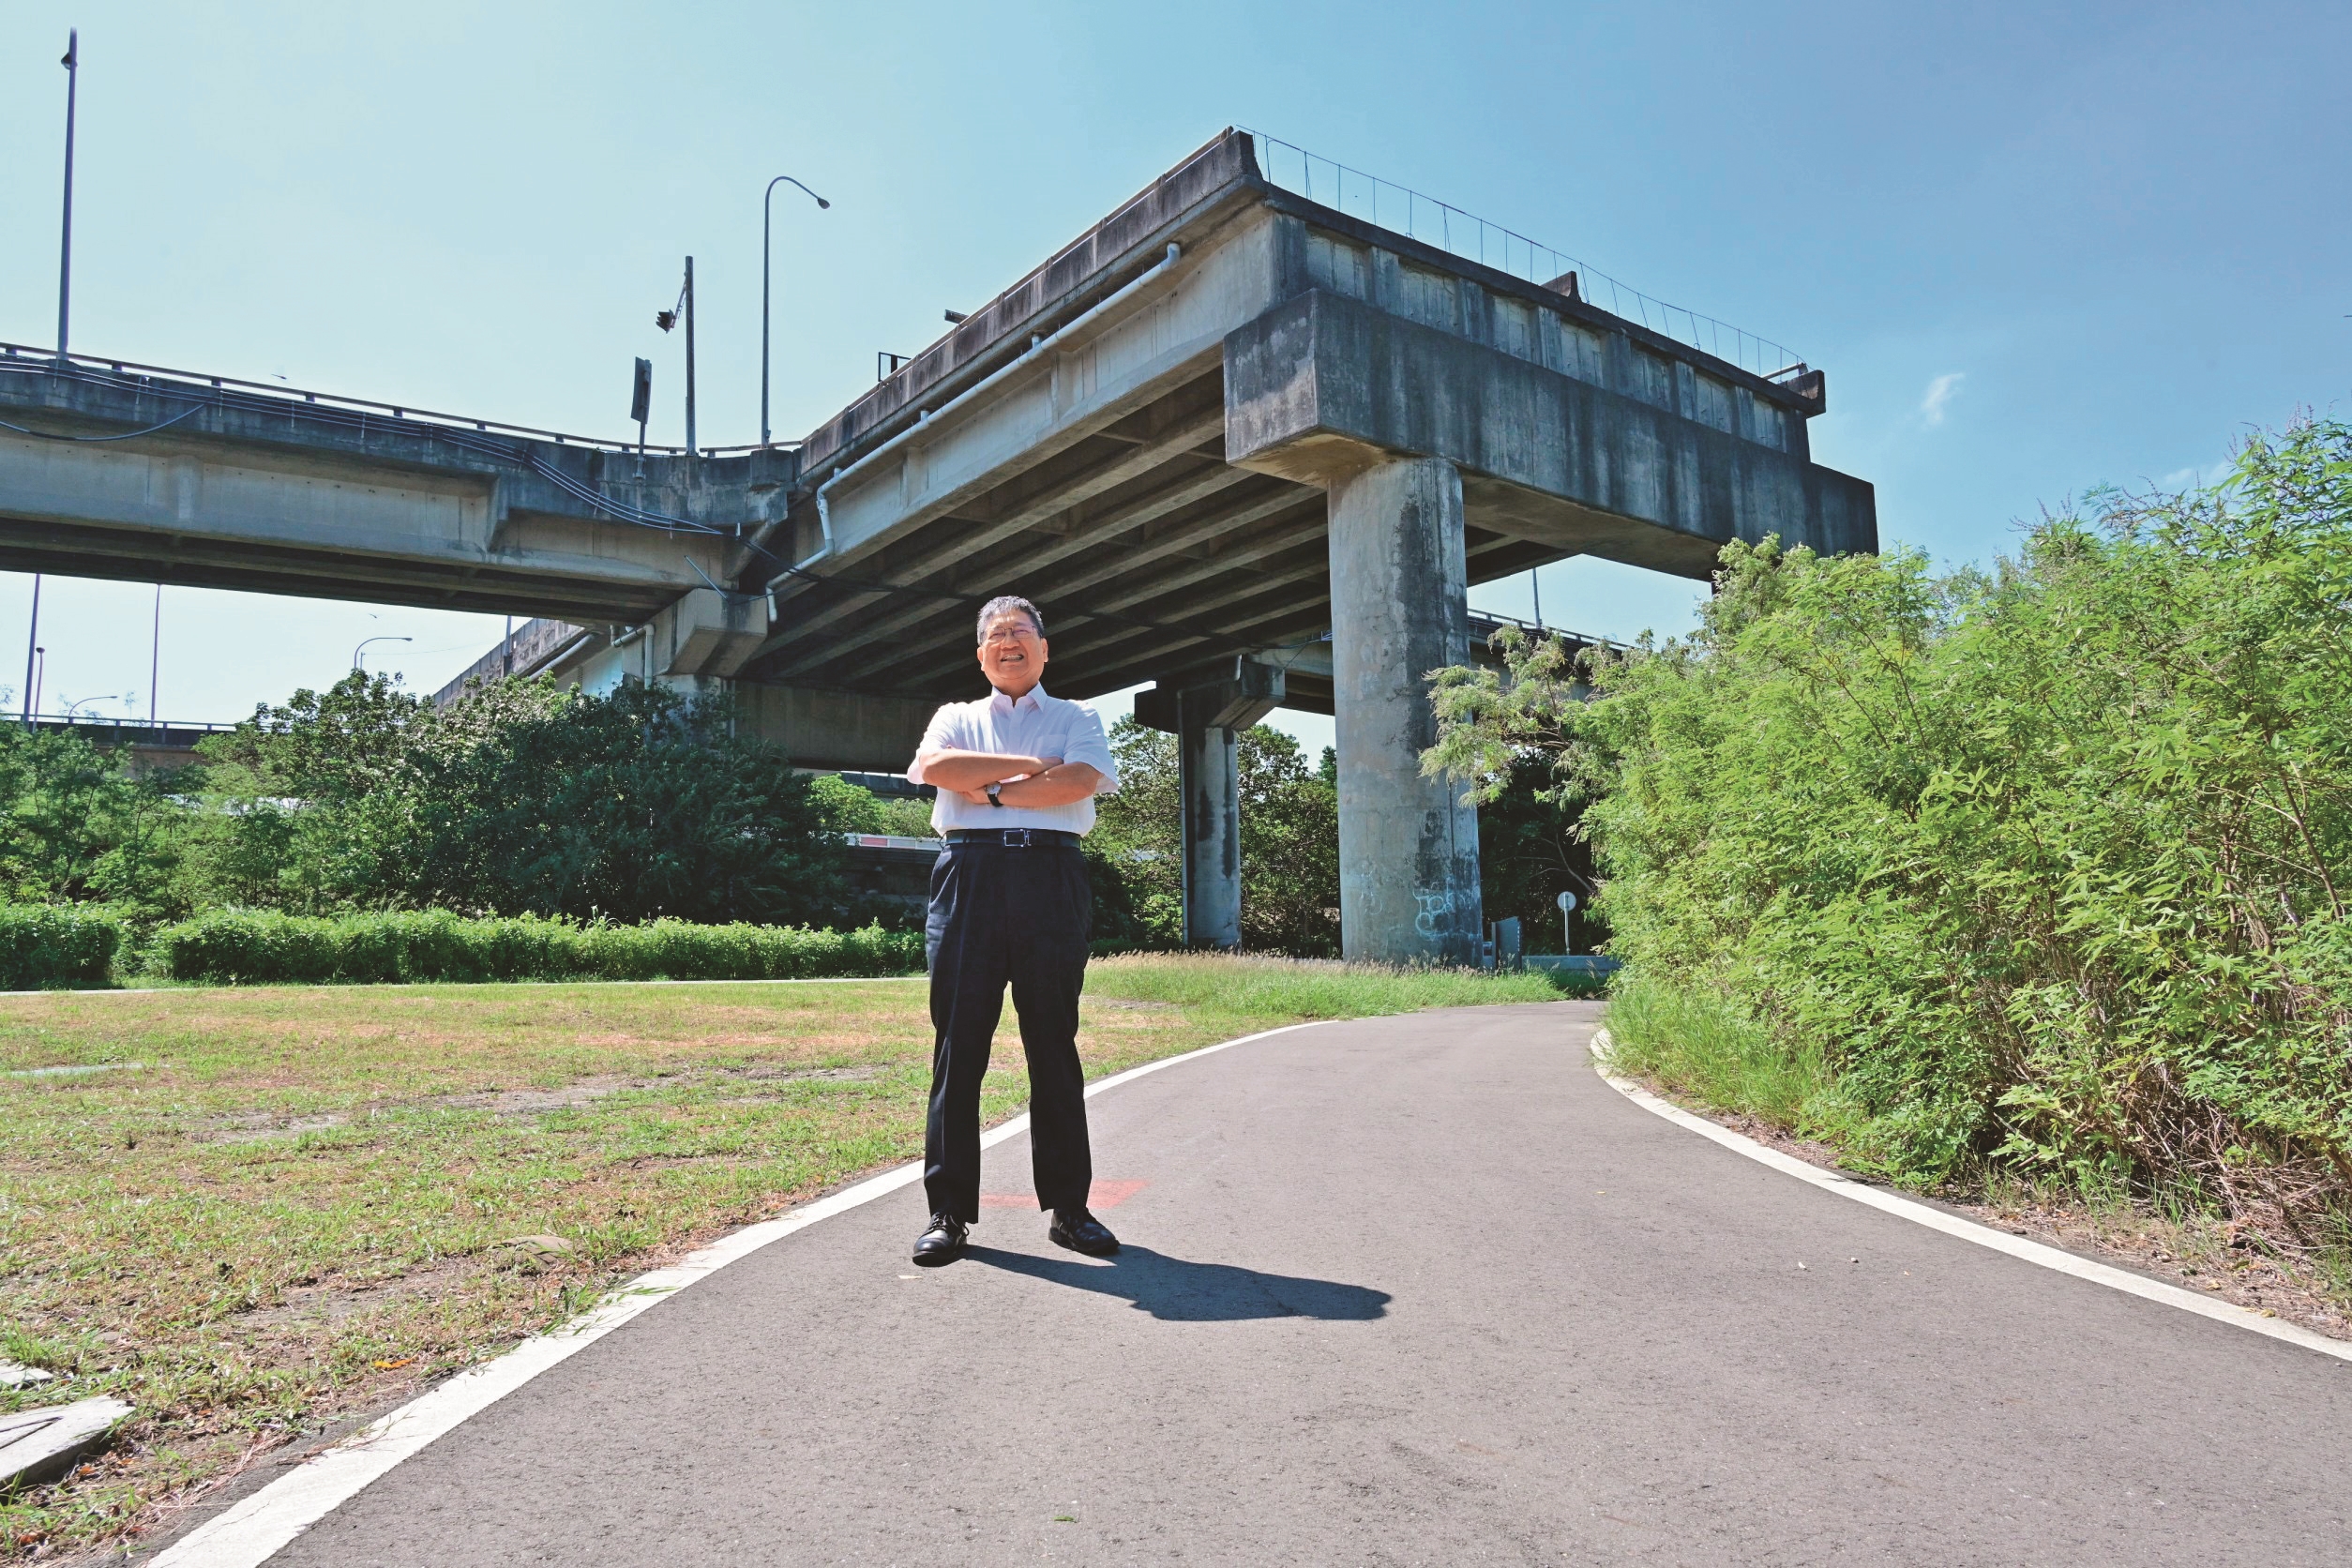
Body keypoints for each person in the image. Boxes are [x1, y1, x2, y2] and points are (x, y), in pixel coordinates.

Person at [903, 595, 1122, 1266]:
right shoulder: (955, 716)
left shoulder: (1075, 716)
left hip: (1051, 877)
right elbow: (938, 770)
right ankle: (948, 1213)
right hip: (968, 876)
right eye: (996, 635)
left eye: (1021, 633)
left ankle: (1069, 1210)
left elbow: (1080, 781)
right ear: (980, 654)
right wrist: (1031, 770)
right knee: (958, 1044)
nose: (1009, 643)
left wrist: (991, 786)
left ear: (1045, 648)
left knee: (1052, 1043)